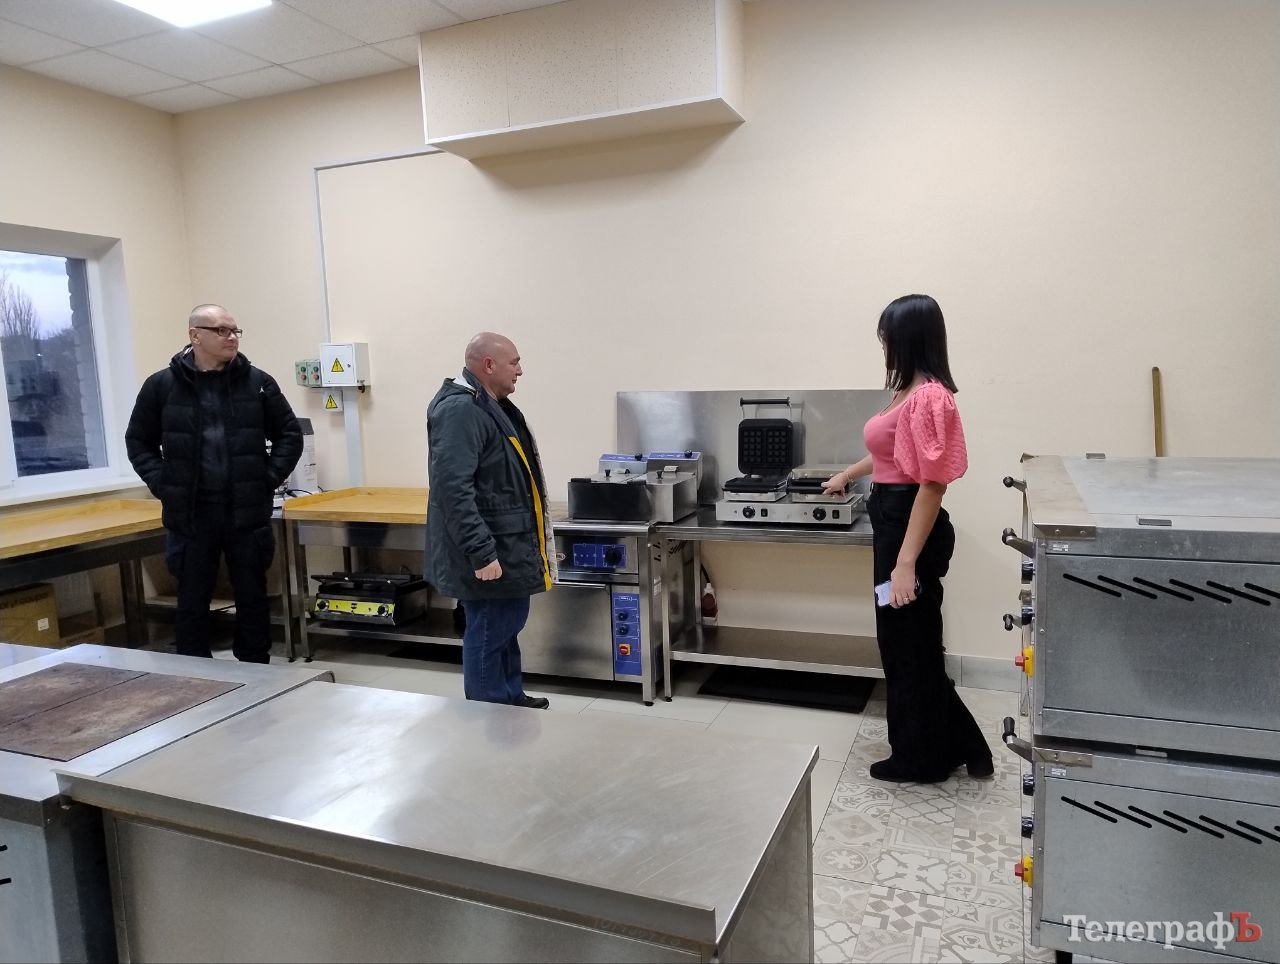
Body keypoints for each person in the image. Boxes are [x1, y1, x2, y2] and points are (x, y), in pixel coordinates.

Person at [824, 294, 993, 783]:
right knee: (907, 645)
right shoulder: (906, 392)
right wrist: (848, 474)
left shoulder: (930, 397)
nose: (884, 346)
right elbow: (889, 455)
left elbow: (932, 485)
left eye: (887, 338)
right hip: (893, 520)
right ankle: (962, 747)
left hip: (908, 530)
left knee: (909, 647)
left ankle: (922, 760)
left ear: (909, 338)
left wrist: (905, 564)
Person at [125, 304, 302, 664]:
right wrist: (164, 484)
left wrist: (266, 480)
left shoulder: (258, 383)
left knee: (252, 595)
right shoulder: (162, 386)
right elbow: (139, 442)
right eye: (221, 330)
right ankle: (195, 671)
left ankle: (256, 669)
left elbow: (289, 435)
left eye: (235, 330)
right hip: (192, 513)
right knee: (192, 597)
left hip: (245, 510)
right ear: (195, 336)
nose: (232, 337)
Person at [425, 332, 554, 709]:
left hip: (507, 543)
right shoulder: (460, 410)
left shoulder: (491, 406)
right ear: (488, 365)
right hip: (489, 548)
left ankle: (510, 699)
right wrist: (481, 552)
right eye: (514, 362)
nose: (520, 370)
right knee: (488, 631)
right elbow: (453, 490)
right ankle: (488, 712)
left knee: (506, 624)